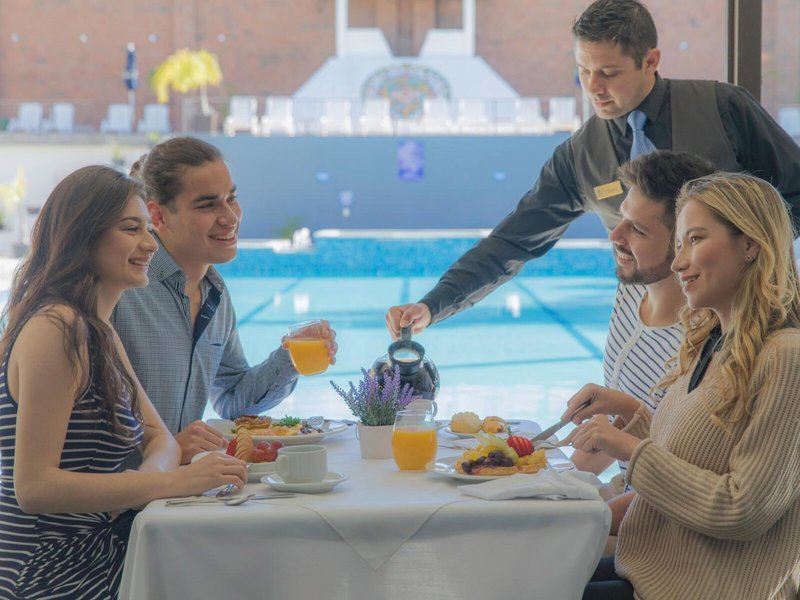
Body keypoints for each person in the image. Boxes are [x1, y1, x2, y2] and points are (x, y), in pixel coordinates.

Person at [385, 0, 800, 338]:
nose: (593, 88)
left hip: (752, 320)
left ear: (651, 60)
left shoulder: (724, 108)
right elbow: (512, 242)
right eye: (583, 71)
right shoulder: (578, 156)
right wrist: (432, 306)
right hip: (647, 330)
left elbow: (796, 192)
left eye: (608, 73)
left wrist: (753, 263)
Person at [0, 166, 247, 600]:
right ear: (82, 236)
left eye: (148, 228)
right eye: (131, 229)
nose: (150, 244)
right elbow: (35, 487)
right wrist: (176, 482)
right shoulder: (56, 330)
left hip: (102, 552)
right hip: (49, 572)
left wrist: (141, 486)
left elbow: (161, 439)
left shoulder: (99, 331)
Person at [564, 173, 800, 599]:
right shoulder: (712, 339)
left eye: (695, 240)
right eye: (678, 244)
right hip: (649, 570)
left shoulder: (786, 356)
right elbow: (697, 452)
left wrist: (630, 449)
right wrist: (632, 416)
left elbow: (742, 509)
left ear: (750, 244)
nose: (677, 263)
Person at [113, 136, 338, 465]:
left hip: (180, 485)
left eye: (231, 198)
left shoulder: (214, 293)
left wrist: (291, 357)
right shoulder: (121, 291)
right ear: (157, 216)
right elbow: (81, 434)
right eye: (207, 205)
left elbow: (232, 399)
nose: (230, 217)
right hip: (131, 492)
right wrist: (167, 449)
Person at [569, 151, 715, 534]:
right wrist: (549, 479)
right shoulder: (633, 288)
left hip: (663, 523)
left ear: (684, 245)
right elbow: (616, 431)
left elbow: (688, 481)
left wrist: (578, 524)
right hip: (625, 493)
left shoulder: (704, 343)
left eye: (638, 230)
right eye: (621, 218)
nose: (615, 236)